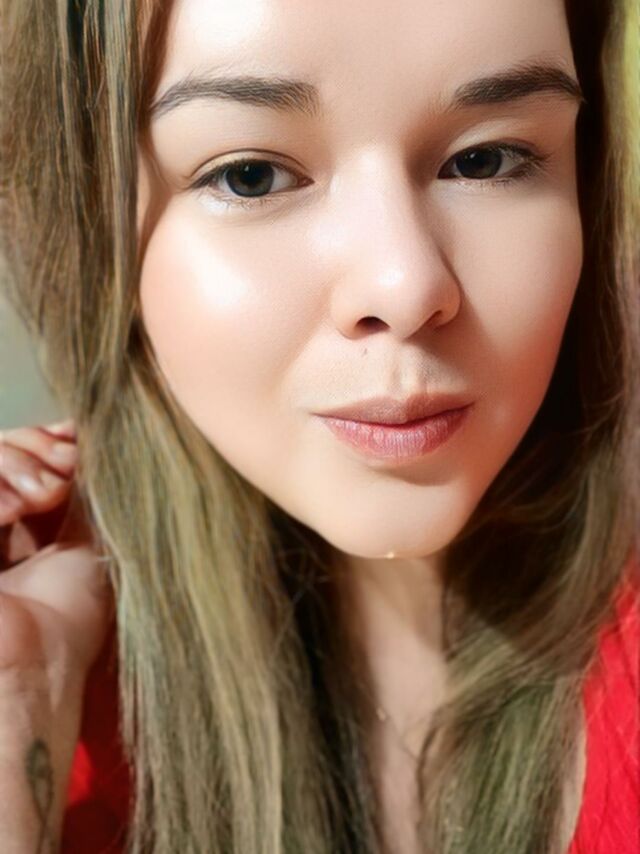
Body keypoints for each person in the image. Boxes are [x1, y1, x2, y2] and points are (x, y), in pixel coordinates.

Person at [0, 0, 638, 852]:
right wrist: (22, 699)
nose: (404, 286)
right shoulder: (67, 683)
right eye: (251, 176)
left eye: (486, 159)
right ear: (90, 224)